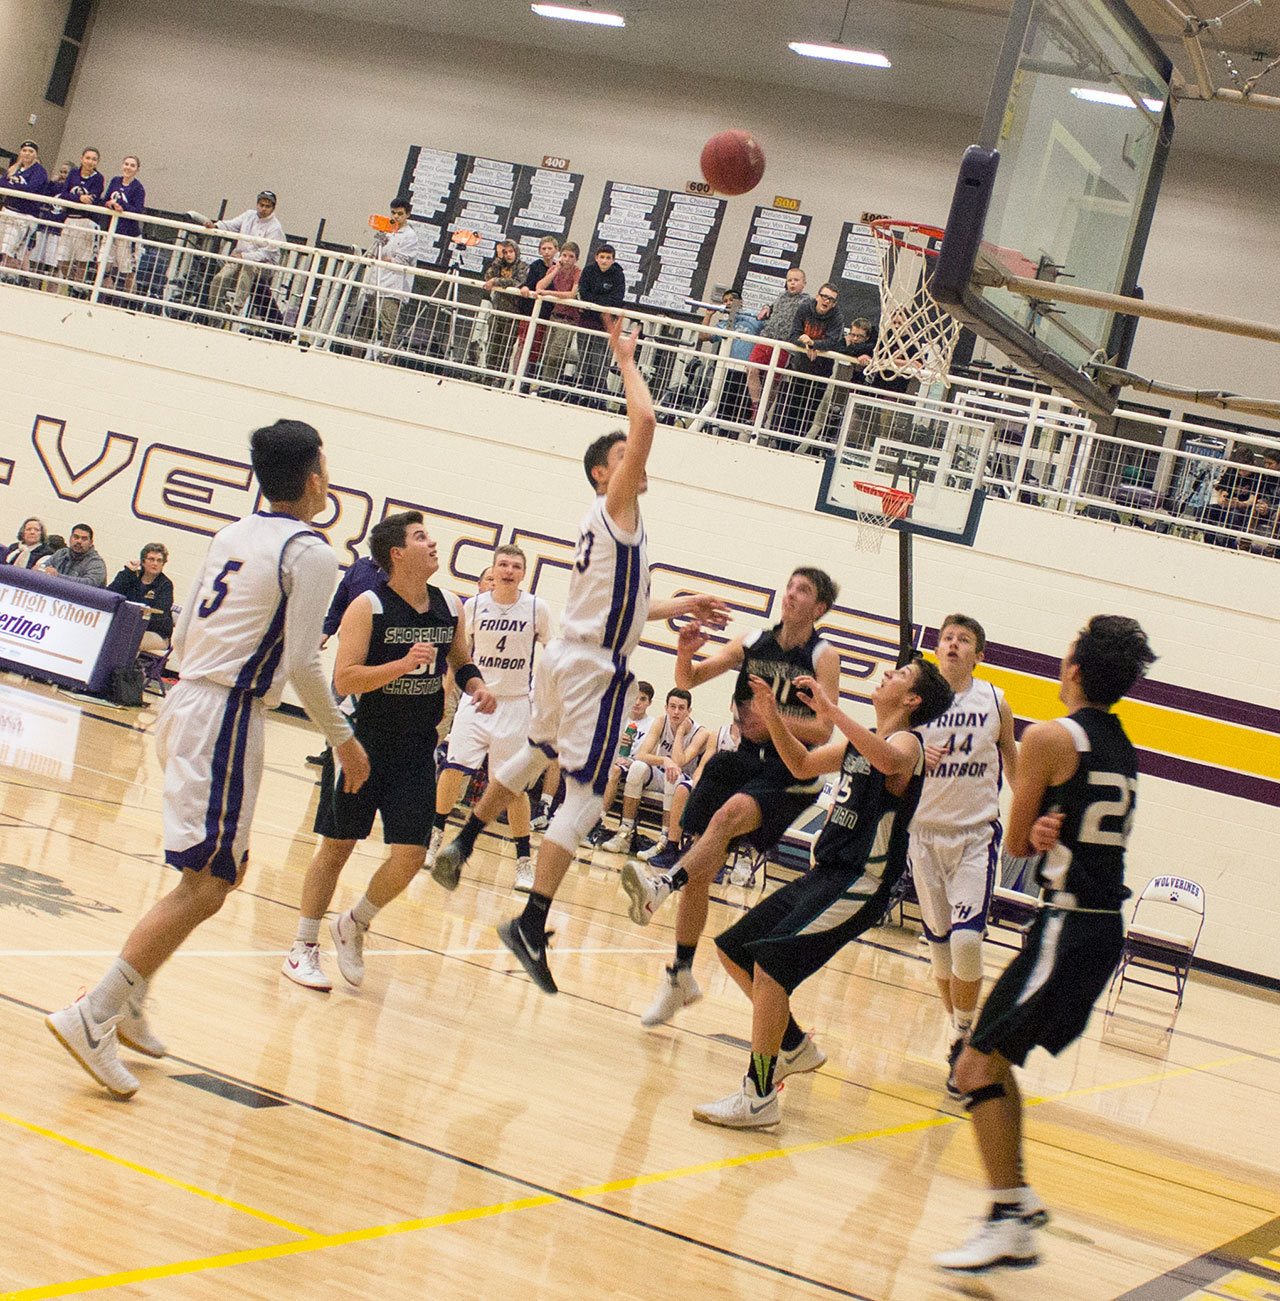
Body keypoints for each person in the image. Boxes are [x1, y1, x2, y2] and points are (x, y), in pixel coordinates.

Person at [45, 419, 371, 1097]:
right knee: (207, 881)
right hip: (226, 714)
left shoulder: (233, 531)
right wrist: (343, 737)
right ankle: (96, 1010)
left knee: (226, 868)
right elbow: (308, 664)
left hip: (192, 698)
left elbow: (188, 625)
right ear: (314, 477)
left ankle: (129, 1002)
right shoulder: (309, 552)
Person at [429, 317, 729, 994]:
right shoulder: (613, 505)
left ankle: (466, 838)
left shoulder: (621, 528)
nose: (638, 460)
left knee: (535, 751)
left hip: (570, 654)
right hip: (593, 668)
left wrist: (682, 602)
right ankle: (532, 920)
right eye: (624, 455)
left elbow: (626, 608)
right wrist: (625, 360)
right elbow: (647, 419)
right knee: (589, 794)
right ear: (604, 472)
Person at [936, 615, 1156, 1274]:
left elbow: (1013, 842)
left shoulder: (1050, 737)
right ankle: (1019, 1200)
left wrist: (1033, 834)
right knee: (994, 1061)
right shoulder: (1118, 743)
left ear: (1076, 671)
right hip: (1095, 929)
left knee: (971, 1068)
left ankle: (1007, 1218)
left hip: (1069, 924)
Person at [694, 661, 953, 1128]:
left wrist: (831, 710)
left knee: (771, 965)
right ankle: (793, 1045)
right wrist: (773, 714)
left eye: (899, 675)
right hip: (826, 872)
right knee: (733, 948)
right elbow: (802, 763)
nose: (887, 676)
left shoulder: (908, 743)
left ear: (913, 700)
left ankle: (758, 1094)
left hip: (860, 880)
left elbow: (891, 763)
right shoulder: (866, 737)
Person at [620, 567, 842, 1027]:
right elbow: (692, 678)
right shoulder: (753, 639)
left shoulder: (822, 656)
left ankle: (661, 885)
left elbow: (823, 728)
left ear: (819, 607)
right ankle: (680, 974)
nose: (792, 594)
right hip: (742, 758)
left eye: (804, 590)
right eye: (791, 585)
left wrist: (774, 717)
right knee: (701, 860)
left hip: (789, 769)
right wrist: (684, 654)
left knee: (727, 817)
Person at [282, 511, 494, 991]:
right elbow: (344, 678)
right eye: (421, 537)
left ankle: (354, 922)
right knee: (336, 848)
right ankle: (302, 947)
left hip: (417, 748)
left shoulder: (449, 605)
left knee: (411, 855)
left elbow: (459, 659)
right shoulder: (368, 606)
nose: (433, 543)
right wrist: (401, 664)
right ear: (397, 553)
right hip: (365, 742)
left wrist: (476, 684)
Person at [909, 614, 1018, 1097]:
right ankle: (960, 1030)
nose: (953, 644)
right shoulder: (916, 697)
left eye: (964, 639)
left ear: (979, 653)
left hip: (975, 836)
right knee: (940, 947)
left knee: (967, 943)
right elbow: (889, 749)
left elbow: (1015, 768)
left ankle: (963, 1033)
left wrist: (1034, 817)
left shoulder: (994, 700)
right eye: (947, 638)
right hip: (922, 834)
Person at [425, 543, 551, 893]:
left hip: (515, 705)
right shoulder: (475, 606)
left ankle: (524, 862)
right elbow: (458, 656)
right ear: (493, 571)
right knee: (453, 768)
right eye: (502, 565)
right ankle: (434, 838)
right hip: (476, 699)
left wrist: (545, 701)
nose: (508, 571)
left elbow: (553, 656)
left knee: (511, 787)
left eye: (515, 566)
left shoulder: (537, 609)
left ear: (523, 573)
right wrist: (447, 696)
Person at [638, 706, 743, 872]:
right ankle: (671, 847)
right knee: (683, 788)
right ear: (731, 707)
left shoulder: (756, 739)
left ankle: (714, 861)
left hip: (736, 789)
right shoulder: (718, 734)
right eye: (738, 704)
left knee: (717, 799)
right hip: (713, 783)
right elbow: (703, 766)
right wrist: (697, 782)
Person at [600, 688, 702, 855]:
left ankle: (664, 840)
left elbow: (679, 762)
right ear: (666, 707)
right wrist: (664, 760)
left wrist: (680, 732)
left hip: (683, 786)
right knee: (637, 767)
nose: (676, 712)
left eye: (681, 708)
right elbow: (641, 755)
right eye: (672, 706)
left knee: (673, 774)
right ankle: (625, 833)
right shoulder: (661, 722)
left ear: (689, 711)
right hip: (661, 775)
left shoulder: (701, 732)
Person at [584, 681, 655, 844]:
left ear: (649, 703)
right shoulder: (617, 717)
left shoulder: (652, 724)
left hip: (636, 765)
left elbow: (651, 752)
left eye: (643, 699)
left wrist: (631, 760)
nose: (637, 702)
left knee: (615, 770)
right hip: (614, 760)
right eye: (635, 698)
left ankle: (598, 819)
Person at [777, 282, 844, 448]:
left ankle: (794, 446)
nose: (826, 301)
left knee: (809, 411)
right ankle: (781, 444)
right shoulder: (805, 309)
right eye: (824, 296)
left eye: (831, 299)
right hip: (801, 367)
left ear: (834, 303)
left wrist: (813, 343)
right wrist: (805, 342)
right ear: (817, 296)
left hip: (822, 370)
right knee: (792, 406)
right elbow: (793, 335)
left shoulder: (837, 317)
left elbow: (832, 342)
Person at [205, 191, 284, 321]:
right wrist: (216, 225)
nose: (263, 209)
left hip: (264, 265)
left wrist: (243, 256)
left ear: (273, 208)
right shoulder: (248, 215)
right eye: (261, 205)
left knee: (249, 266)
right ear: (257, 204)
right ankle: (214, 312)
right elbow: (231, 225)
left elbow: (266, 253)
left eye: (267, 206)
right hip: (240, 258)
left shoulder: (275, 228)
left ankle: (236, 305)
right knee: (220, 277)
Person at [745, 268, 812, 418]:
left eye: (796, 280)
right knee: (751, 368)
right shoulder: (781, 297)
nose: (792, 283)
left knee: (774, 380)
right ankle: (756, 406)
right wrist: (766, 307)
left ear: (804, 283)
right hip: (767, 338)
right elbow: (771, 305)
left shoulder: (807, 301)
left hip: (784, 345)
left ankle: (763, 412)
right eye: (789, 280)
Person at [360, 196, 420, 355]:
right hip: (376, 282)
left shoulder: (410, 236)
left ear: (407, 214)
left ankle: (387, 358)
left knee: (389, 327)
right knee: (366, 324)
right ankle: (357, 354)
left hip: (393, 288)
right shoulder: (387, 231)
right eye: (393, 213)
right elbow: (375, 253)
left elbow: (401, 260)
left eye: (400, 214)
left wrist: (383, 258)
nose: (396, 217)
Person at [574, 244, 626, 404]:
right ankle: (584, 394)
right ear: (596, 257)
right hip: (586, 321)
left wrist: (597, 303)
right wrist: (601, 303)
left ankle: (599, 398)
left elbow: (617, 298)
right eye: (602, 257)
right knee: (584, 360)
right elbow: (583, 292)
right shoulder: (589, 271)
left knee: (600, 362)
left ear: (613, 260)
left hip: (604, 324)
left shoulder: (618, 275)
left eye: (608, 258)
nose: (604, 261)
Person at [701, 287, 759, 430]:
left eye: (731, 300)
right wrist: (708, 315)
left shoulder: (754, 320)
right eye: (725, 301)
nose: (728, 303)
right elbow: (702, 336)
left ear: (740, 302)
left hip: (748, 372)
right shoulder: (723, 325)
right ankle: (720, 433)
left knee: (744, 409)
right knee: (725, 407)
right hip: (729, 371)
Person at [108, 543, 175, 652]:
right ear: (143, 561)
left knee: (130, 639)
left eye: (159, 560)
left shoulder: (165, 585)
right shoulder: (131, 576)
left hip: (156, 634)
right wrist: (127, 572)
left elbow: (160, 616)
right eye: (151, 559)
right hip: (126, 628)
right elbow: (110, 594)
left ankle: (122, 669)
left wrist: (134, 623)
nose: (155, 563)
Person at [53, 148, 105, 287]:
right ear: (82, 158)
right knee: (62, 259)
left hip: (86, 220)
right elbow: (64, 193)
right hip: (70, 218)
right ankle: (70, 281)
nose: (90, 161)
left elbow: (93, 198)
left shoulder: (98, 178)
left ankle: (78, 287)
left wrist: (82, 199)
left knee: (82, 259)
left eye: (94, 159)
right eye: (87, 158)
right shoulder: (73, 173)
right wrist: (79, 198)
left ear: (97, 162)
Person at [535, 241, 581, 387]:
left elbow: (572, 294)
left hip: (569, 319)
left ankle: (546, 386)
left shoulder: (577, 272)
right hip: (554, 315)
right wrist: (555, 270)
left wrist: (549, 293)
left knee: (556, 354)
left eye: (571, 256)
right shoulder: (554, 268)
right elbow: (539, 286)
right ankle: (541, 383)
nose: (567, 259)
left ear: (576, 259)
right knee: (547, 353)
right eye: (564, 255)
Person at [482, 238, 528, 380]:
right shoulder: (499, 264)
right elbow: (488, 276)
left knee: (505, 346)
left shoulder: (522, 266)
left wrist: (497, 281)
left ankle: (499, 378)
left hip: (513, 311)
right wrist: (498, 260)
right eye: (505, 252)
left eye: (511, 252)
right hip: (498, 309)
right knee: (493, 344)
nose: (508, 255)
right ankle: (488, 375)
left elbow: (517, 282)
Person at [1, 140, 49, 271]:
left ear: (36, 154)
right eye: (24, 150)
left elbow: (30, 189)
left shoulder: (40, 172)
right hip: (8, 211)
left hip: (24, 216)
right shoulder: (14, 169)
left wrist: (12, 186)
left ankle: (10, 276)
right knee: (2, 247)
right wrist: (16, 187)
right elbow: (2, 183)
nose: (27, 153)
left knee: (11, 250)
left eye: (31, 151)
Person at [515, 234, 560, 372]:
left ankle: (529, 377)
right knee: (523, 344)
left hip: (546, 313)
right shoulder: (535, 266)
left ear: (556, 250)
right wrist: (525, 288)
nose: (546, 251)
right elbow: (529, 283)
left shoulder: (558, 268)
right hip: (530, 310)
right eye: (544, 248)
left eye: (549, 248)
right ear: (540, 251)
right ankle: (515, 376)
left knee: (537, 348)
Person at [102, 155, 146, 294]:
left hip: (128, 234)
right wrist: (109, 203)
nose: (128, 167)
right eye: (126, 164)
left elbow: (138, 210)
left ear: (137, 169)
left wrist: (122, 206)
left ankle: (129, 299)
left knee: (127, 270)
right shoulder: (115, 181)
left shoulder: (138, 188)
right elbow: (106, 199)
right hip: (112, 229)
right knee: (104, 262)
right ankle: (103, 294)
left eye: (132, 165)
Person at [38, 522, 107, 586]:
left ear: (91, 542)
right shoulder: (61, 553)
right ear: (70, 538)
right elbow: (44, 567)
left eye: (84, 539)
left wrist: (57, 576)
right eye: (76, 537)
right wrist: (39, 568)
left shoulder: (96, 563)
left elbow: (89, 583)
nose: (79, 541)